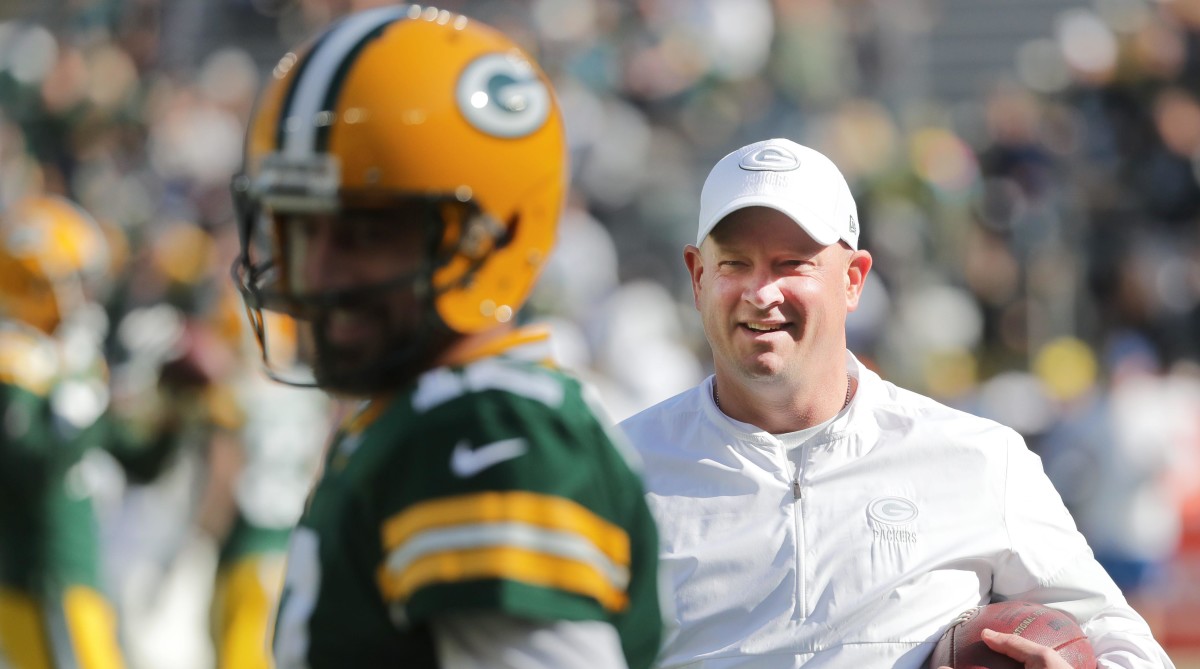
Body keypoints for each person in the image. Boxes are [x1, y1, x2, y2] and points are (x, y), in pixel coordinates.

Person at [618, 137, 1176, 668]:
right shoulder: (619, 473)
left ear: (853, 280)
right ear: (697, 277)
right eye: (735, 264)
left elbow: (1124, 643)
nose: (762, 293)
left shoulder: (978, 459)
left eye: (792, 263)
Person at [228, 5, 661, 669]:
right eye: (301, 229)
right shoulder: (426, 414)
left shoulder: (484, 429)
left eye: (364, 234)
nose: (317, 272)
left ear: (492, 238)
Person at [0, 194, 178, 668]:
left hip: (79, 570)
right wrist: (81, 406)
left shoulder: (68, 362)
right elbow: (34, 468)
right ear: (35, 281)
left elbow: (136, 459)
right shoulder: (15, 364)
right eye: (75, 280)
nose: (87, 294)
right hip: (40, 575)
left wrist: (171, 411)